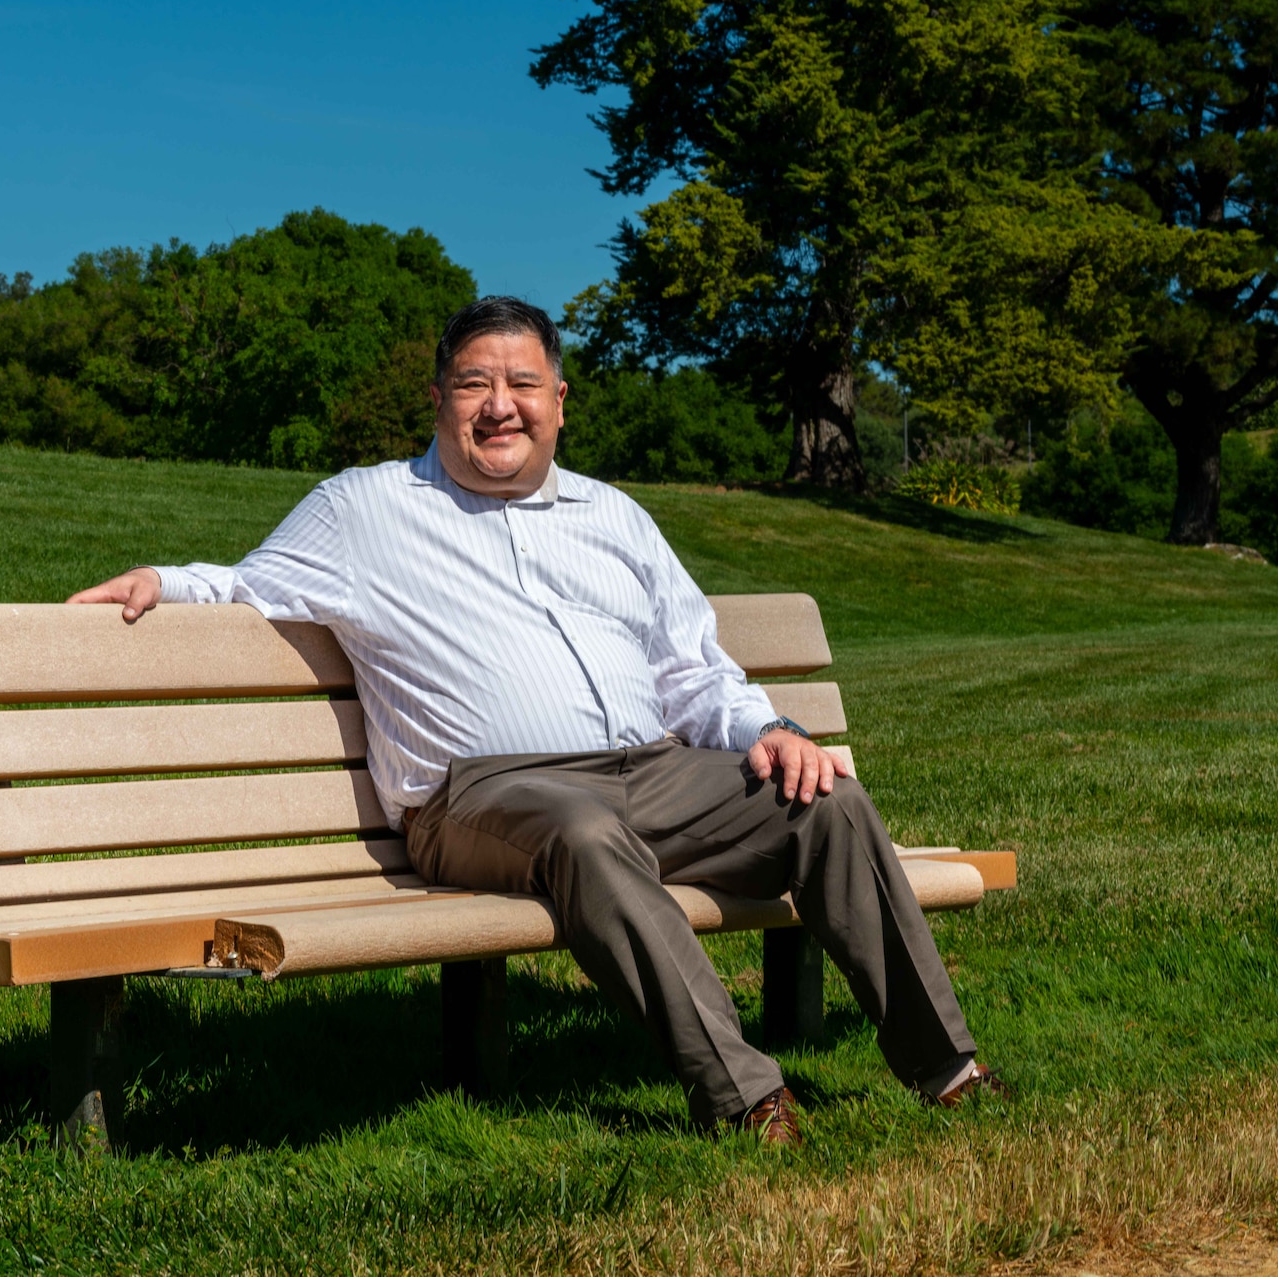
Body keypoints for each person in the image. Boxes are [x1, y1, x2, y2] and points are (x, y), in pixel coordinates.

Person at [68, 296, 1004, 1144]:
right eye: (475, 383)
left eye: (522, 383)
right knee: (588, 832)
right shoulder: (365, 508)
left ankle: (948, 1068)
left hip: (653, 767)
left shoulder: (616, 516)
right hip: (479, 796)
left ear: (561, 400)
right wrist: (165, 582)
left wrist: (771, 729)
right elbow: (248, 583)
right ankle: (746, 1097)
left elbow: (691, 667)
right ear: (438, 398)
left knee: (827, 801)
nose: (499, 405)